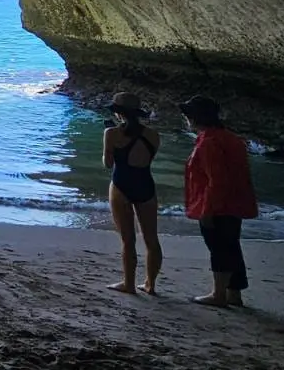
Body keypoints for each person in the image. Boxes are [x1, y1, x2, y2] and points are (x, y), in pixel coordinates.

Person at [180, 95, 258, 307]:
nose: (186, 119)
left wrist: (207, 210)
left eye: (188, 115)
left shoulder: (209, 143)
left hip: (218, 205)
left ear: (196, 118)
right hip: (234, 203)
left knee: (219, 248)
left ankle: (218, 294)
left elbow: (217, 181)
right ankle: (234, 294)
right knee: (231, 247)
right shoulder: (231, 139)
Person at [104, 92, 163, 294]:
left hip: (121, 185)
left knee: (128, 240)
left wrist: (110, 144)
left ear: (118, 113)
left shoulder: (111, 133)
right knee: (151, 239)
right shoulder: (153, 135)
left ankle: (128, 284)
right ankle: (150, 284)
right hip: (145, 184)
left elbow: (108, 164)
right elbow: (147, 159)